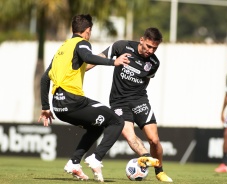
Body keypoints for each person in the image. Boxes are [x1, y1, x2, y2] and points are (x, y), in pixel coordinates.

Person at [37, 14, 157, 182]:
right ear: (88, 30)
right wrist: (113, 62)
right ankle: (96, 158)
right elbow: (88, 57)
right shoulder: (82, 43)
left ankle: (74, 163)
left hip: (58, 107)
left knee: (97, 126)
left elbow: (44, 78)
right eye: (90, 31)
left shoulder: (62, 48)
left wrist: (45, 107)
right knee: (116, 121)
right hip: (73, 101)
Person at [87, 27, 172, 182]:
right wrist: (81, 70)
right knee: (129, 135)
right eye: (148, 46)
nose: (150, 51)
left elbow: (146, 80)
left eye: (155, 48)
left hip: (139, 100)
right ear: (141, 40)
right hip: (119, 102)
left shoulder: (154, 63)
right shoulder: (122, 46)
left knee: (154, 140)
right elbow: (98, 58)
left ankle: (159, 171)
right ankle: (147, 157)